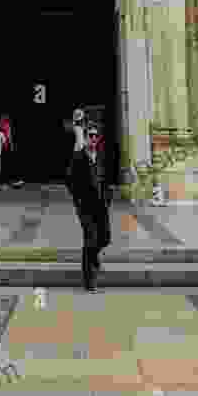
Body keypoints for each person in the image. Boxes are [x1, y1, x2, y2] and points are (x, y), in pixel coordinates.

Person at [66, 121, 116, 292]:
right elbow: (70, 181)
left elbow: (107, 179)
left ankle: (93, 257)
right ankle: (89, 280)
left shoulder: (101, 156)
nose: (93, 138)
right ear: (85, 138)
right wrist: (78, 201)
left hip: (101, 205)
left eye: (96, 136)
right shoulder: (78, 157)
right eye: (90, 136)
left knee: (105, 238)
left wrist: (108, 197)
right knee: (90, 240)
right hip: (85, 206)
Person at [0, 115, 24, 188]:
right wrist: (11, 145)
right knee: (6, 164)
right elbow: (9, 136)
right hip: (5, 146)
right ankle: (8, 181)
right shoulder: (6, 126)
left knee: (2, 165)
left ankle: (5, 181)